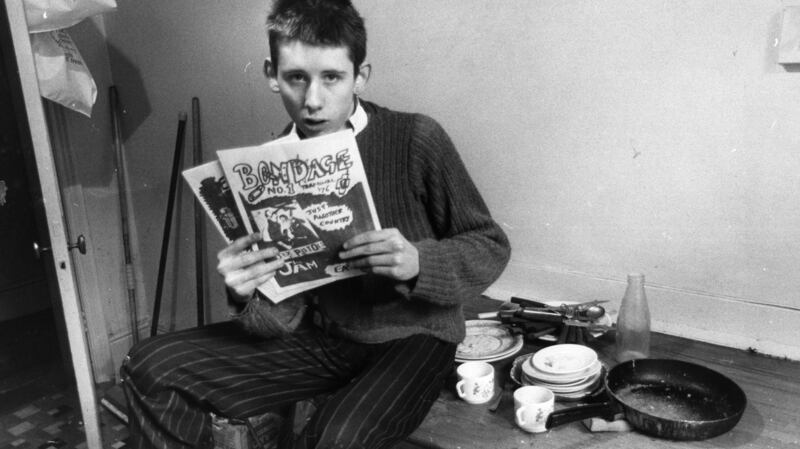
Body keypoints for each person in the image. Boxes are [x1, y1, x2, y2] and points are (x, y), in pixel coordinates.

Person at [120, 0, 510, 448]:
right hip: (323, 340)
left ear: (360, 76)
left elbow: (490, 245)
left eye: (332, 77)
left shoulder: (415, 138)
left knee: (332, 440)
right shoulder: (265, 168)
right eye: (296, 78)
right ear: (272, 75)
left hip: (416, 338)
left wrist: (420, 262)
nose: (313, 101)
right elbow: (277, 322)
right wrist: (246, 294)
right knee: (150, 368)